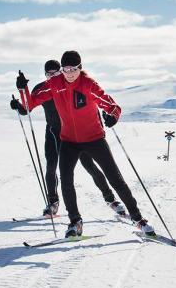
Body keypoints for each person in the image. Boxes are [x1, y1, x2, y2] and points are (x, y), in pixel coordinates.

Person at [16, 50, 154, 238]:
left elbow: (111, 105)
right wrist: (23, 89)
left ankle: (137, 218)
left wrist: (112, 116)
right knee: (66, 181)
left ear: (80, 68)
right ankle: (75, 222)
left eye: (73, 69)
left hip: (94, 139)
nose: (69, 73)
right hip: (69, 141)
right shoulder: (54, 84)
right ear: (62, 69)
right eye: (66, 69)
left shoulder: (88, 84)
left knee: (115, 178)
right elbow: (29, 105)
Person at [10, 59, 128, 219]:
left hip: (76, 134)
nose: (52, 76)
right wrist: (19, 100)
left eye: (56, 72)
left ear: (61, 72)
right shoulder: (43, 88)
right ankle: (53, 203)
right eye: (49, 73)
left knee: (90, 166)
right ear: (45, 75)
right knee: (51, 167)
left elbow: (89, 104)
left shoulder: (69, 85)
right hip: (53, 133)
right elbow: (27, 107)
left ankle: (110, 199)